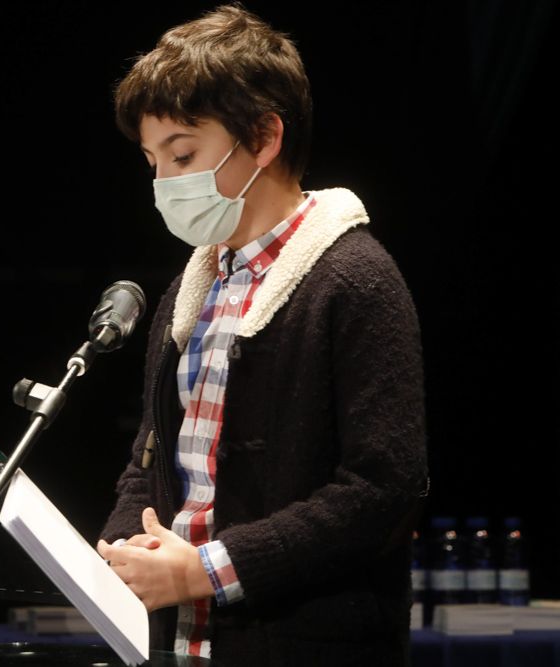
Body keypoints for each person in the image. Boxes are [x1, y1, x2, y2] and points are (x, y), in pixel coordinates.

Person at [96, 6, 427, 666]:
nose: (165, 183)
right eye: (151, 160)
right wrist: (124, 548)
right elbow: (151, 459)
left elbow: (382, 489)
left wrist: (209, 568)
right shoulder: (191, 288)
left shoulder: (353, 278)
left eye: (183, 154)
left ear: (265, 136)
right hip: (185, 645)